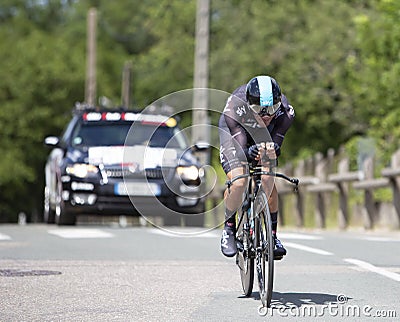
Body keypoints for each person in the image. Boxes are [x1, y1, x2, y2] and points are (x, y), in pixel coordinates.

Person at [218, 75, 295, 258]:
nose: (266, 115)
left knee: (269, 178)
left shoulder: (286, 112)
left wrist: (274, 148)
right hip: (236, 133)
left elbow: (274, 146)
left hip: (263, 136)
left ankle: (273, 235)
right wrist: (248, 152)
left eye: (271, 109)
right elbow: (240, 150)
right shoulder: (235, 107)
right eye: (259, 109)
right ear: (249, 104)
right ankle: (229, 228)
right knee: (239, 181)